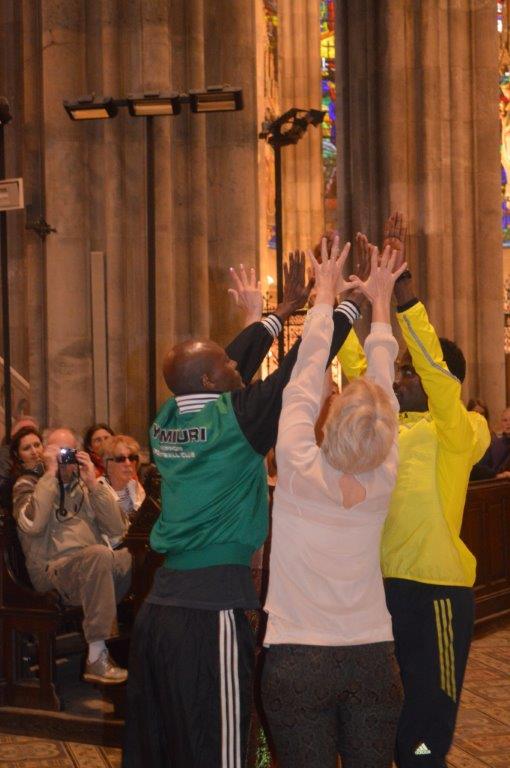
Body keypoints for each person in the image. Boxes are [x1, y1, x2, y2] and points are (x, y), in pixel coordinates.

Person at [123, 249, 362, 768]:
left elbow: (220, 368)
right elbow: (300, 369)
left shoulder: (167, 418)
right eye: (227, 366)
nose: (237, 365)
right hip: (210, 610)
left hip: (160, 608)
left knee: (168, 747)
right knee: (224, 750)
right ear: (212, 383)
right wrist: (344, 305)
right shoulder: (236, 423)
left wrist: (277, 314)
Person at [338, 213, 491, 767]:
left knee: (429, 710)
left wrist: (403, 296)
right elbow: (362, 372)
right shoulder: (391, 426)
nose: (401, 377)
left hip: (436, 590)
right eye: (401, 370)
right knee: (383, 704)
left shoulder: (460, 429)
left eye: (411, 371)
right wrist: (347, 306)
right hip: (380, 584)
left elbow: (436, 377)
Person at [261, 243, 405, 768]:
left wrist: (325, 297)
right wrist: (381, 305)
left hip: (298, 657)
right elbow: (384, 387)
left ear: (334, 416)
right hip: (373, 657)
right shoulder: (384, 477)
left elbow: (305, 376)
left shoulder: (299, 468)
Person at [12, 427, 132, 685]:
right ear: (45, 452)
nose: (64, 458)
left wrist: (93, 484)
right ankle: (97, 658)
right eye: (58, 451)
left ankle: (148, 651)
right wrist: (50, 474)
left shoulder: (85, 485)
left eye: (69, 451)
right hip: (52, 572)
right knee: (99, 555)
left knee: (135, 558)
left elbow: (117, 529)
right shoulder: (27, 483)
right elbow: (32, 524)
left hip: (92, 568)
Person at [98, 434, 146, 546]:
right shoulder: (97, 490)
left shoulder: (136, 486)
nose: (128, 463)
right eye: (120, 459)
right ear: (107, 463)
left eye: (132, 458)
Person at [0, 416, 41, 508]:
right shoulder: (15, 480)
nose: (34, 452)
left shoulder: (51, 469)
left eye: (37, 445)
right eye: (26, 448)